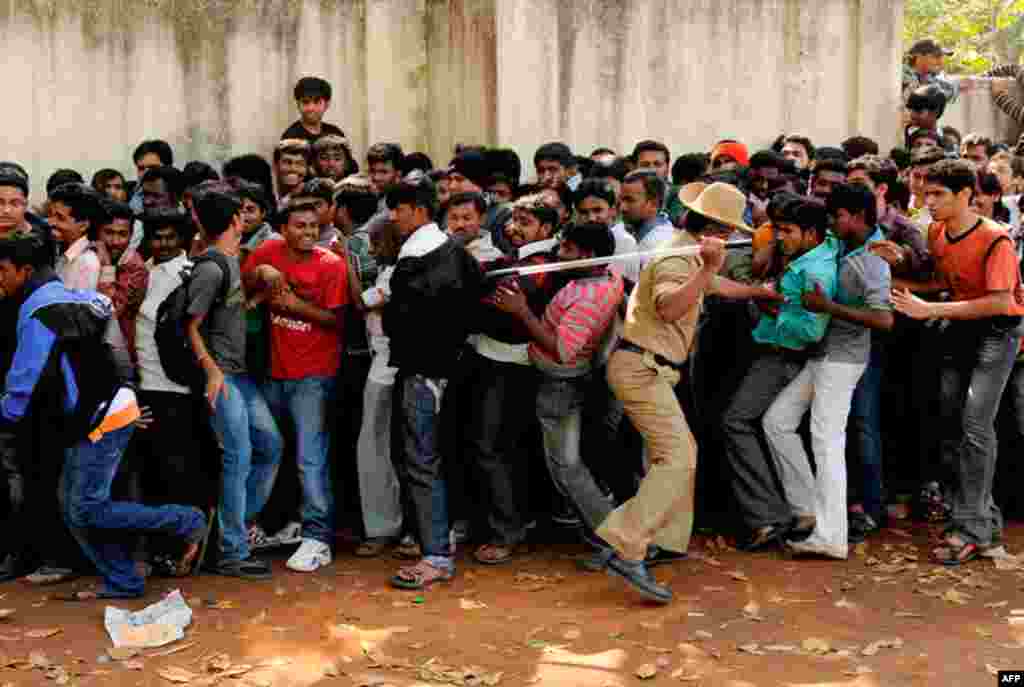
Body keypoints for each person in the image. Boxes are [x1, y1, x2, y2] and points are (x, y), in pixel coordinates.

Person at [593, 183, 781, 602]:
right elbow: (670, 307)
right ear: (711, 227)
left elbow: (716, 289)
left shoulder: (688, 253)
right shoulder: (681, 258)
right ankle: (629, 543)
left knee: (679, 454)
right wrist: (708, 269)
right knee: (680, 457)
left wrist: (758, 292)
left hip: (649, 369)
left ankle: (660, 539)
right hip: (642, 369)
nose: (734, 239)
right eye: (729, 230)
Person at [0, 230, 207, 599]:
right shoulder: (85, 299)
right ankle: (123, 580)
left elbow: (23, 382)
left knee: (86, 508)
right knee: (75, 506)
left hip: (96, 419)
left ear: (25, 270)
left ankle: (185, 521)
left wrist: (7, 418)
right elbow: (118, 354)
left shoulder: (37, 312)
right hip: (109, 410)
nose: (0, 279)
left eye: (3, 270)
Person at [892, 159, 1024, 565]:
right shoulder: (936, 231)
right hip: (960, 332)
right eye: (925, 193)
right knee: (952, 426)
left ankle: (971, 527)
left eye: (937, 195)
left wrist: (928, 311)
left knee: (975, 428)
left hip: (997, 335)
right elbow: (944, 284)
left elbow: (1001, 301)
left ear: (965, 195)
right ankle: (979, 522)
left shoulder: (994, 239)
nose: (927, 202)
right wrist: (899, 274)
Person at [763, 183, 893, 559]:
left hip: (842, 360)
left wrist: (827, 306)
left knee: (826, 443)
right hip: (825, 355)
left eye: (837, 217)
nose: (832, 224)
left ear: (857, 216)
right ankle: (807, 509)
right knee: (778, 422)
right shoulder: (846, 245)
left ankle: (831, 536)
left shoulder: (873, 259)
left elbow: (884, 319)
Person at [493, 223, 623, 564]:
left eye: (566, 249)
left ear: (588, 255)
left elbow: (563, 350)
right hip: (565, 381)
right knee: (566, 466)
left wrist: (521, 311)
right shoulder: (606, 278)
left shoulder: (587, 297)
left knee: (567, 468)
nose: (558, 254)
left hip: (560, 383)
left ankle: (613, 541)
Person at [721, 198, 838, 550]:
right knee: (774, 425)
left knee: (736, 421)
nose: (780, 237)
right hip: (775, 350)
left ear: (812, 233)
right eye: (777, 230)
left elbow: (810, 331)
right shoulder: (809, 255)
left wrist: (773, 308)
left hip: (782, 355)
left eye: (787, 231)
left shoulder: (813, 270)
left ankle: (767, 516)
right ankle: (794, 510)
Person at [383, 174, 483, 590]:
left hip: (423, 374)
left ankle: (436, 556)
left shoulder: (411, 264)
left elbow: (395, 322)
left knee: (422, 460)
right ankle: (441, 541)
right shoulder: (458, 253)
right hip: (454, 370)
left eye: (398, 209)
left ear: (419, 210)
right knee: (443, 456)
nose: (392, 217)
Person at [243, 202, 348, 573]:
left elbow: (338, 321)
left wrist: (293, 304)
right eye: (299, 226)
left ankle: (319, 538)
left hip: (314, 375)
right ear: (282, 229)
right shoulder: (267, 250)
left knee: (310, 458)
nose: (308, 233)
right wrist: (263, 271)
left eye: (314, 227)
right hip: (273, 372)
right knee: (273, 451)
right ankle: (275, 525)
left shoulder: (331, 265)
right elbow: (245, 282)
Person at [187, 191, 284, 579]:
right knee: (239, 456)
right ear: (235, 221)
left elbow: (229, 314)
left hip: (238, 375)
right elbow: (190, 326)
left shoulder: (228, 262)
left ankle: (227, 532)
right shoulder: (211, 268)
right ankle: (231, 550)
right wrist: (211, 371)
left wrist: (258, 294)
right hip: (223, 377)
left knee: (268, 446)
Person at [462, 195, 561, 565]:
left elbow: (495, 309)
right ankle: (506, 522)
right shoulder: (515, 259)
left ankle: (507, 530)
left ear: (546, 230)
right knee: (496, 446)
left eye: (525, 222)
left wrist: (476, 295)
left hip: (510, 364)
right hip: (492, 358)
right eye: (513, 219)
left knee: (493, 447)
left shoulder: (538, 265)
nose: (514, 227)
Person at [352, 214, 404, 558]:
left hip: (387, 368)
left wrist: (345, 262)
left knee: (374, 447)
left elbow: (362, 302)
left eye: (377, 242)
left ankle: (385, 527)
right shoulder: (393, 270)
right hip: (383, 364)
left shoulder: (395, 273)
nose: (371, 250)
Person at [620, 170, 674, 282]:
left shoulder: (660, 244)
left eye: (630, 200)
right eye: (621, 200)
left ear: (654, 204)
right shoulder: (625, 231)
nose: (622, 208)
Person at [49, 185, 103, 291]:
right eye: (51, 215)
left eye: (60, 218)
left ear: (83, 225)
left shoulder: (87, 263)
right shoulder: (62, 251)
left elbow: (79, 306)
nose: (51, 222)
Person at [280, 76, 346, 144]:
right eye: (305, 102)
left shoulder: (336, 134)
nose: (311, 108)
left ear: (327, 104)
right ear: (298, 104)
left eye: (317, 102)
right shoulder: (290, 138)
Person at [902, 38, 959, 106]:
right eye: (936, 57)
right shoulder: (902, 73)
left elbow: (948, 89)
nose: (941, 62)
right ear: (918, 56)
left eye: (942, 57)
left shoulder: (926, 76)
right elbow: (920, 98)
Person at [273, 140, 312, 208]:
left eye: (300, 163)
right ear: (275, 165)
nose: (293, 169)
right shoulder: (265, 193)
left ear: (307, 168)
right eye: (287, 162)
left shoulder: (312, 196)